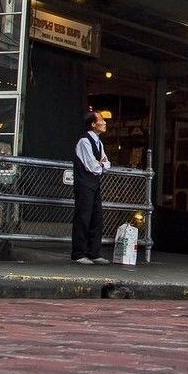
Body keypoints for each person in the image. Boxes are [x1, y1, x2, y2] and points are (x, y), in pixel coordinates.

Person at [71, 111, 111, 265]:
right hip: (84, 184)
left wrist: (101, 164)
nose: (105, 122)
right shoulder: (84, 141)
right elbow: (92, 166)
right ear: (93, 124)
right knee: (83, 217)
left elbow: (107, 164)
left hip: (94, 184)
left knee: (97, 217)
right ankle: (78, 253)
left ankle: (93, 252)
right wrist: (101, 164)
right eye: (101, 120)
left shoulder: (99, 143)